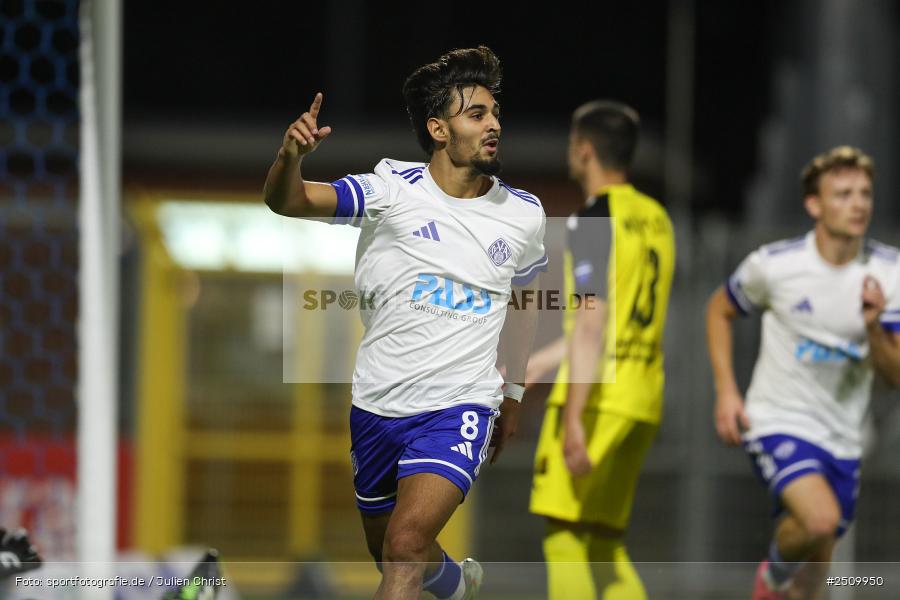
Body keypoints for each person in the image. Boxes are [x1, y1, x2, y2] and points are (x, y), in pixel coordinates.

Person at [263, 46, 546, 600]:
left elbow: (527, 299)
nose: (494, 125)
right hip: (376, 404)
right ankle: (457, 584)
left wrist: (511, 393)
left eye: (494, 113)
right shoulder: (389, 190)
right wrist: (289, 155)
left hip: (460, 405)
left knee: (406, 542)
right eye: (477, 115)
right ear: (439, 129)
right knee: (389, 551)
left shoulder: (524, 214)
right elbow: (288, 201)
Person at [705, 146, 900, 599]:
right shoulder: (775, 265)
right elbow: (718, 309)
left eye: (865, 194)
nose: (858, 204)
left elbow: (894, 375)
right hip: (777, 419)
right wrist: (727, 392)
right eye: (844, 194)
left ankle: (788, 586)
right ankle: (770, 578)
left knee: (816, 586)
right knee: (819, 519)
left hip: (844, 437)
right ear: (814, 205)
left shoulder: (889, 273)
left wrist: (873, 326)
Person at [527, 101, 675, 600]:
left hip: (598, 398)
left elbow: (592, 323)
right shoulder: (656, 218)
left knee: (564, 535)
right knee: (605, 544)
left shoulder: (593, 218)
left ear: (584, 150)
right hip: (642, 399)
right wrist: (544, 362)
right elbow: (609, 320)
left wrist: (572, 418)